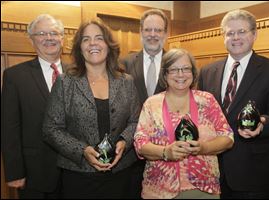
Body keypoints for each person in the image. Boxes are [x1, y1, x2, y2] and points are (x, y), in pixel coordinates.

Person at [198, 9, 269, 199]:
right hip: (211, 172)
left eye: (242, 32)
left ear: (254, 34)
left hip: (253, 175)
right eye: (230, 33)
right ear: (223, 36)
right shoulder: (207, 72)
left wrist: (263, 124)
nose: (235, 37)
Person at [42, 19, 140, 199]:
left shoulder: (126, 81)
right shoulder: (65, 82)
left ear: (109, 45)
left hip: (121, 175)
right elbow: (51, 129)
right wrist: (82, 150)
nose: (93, 43)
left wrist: (124, 142)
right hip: (79, 177)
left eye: (99, 38)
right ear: (80, 48)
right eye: (86, 39)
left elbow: (135, 122)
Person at [134, 48, 234, 199]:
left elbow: (227, 137)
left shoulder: (207, 100)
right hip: (159, 190)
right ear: (165, 74)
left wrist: (204, 147)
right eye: (174, 69)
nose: (180, 74)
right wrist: (165, 152)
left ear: (193, 72)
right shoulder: (151, 104)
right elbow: (140, 144)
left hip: (203, 189)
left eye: (186, 68)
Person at [1, 14, 64, 198]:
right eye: (41, 33)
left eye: (54, 33)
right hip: (34, 174)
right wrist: (15, 172)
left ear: (62, 38)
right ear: (31, 40)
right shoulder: (15, 76)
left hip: (74, 173)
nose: (49, 38)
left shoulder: (78, 74)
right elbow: (9, 127)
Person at [121, 8, 169, 198]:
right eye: (148, 30)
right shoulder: (123, 63)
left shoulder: (175, 62)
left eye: (158, 30)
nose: (153, 35)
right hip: (130, 152)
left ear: (165, 33)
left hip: (165, 150)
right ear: (141, 32)